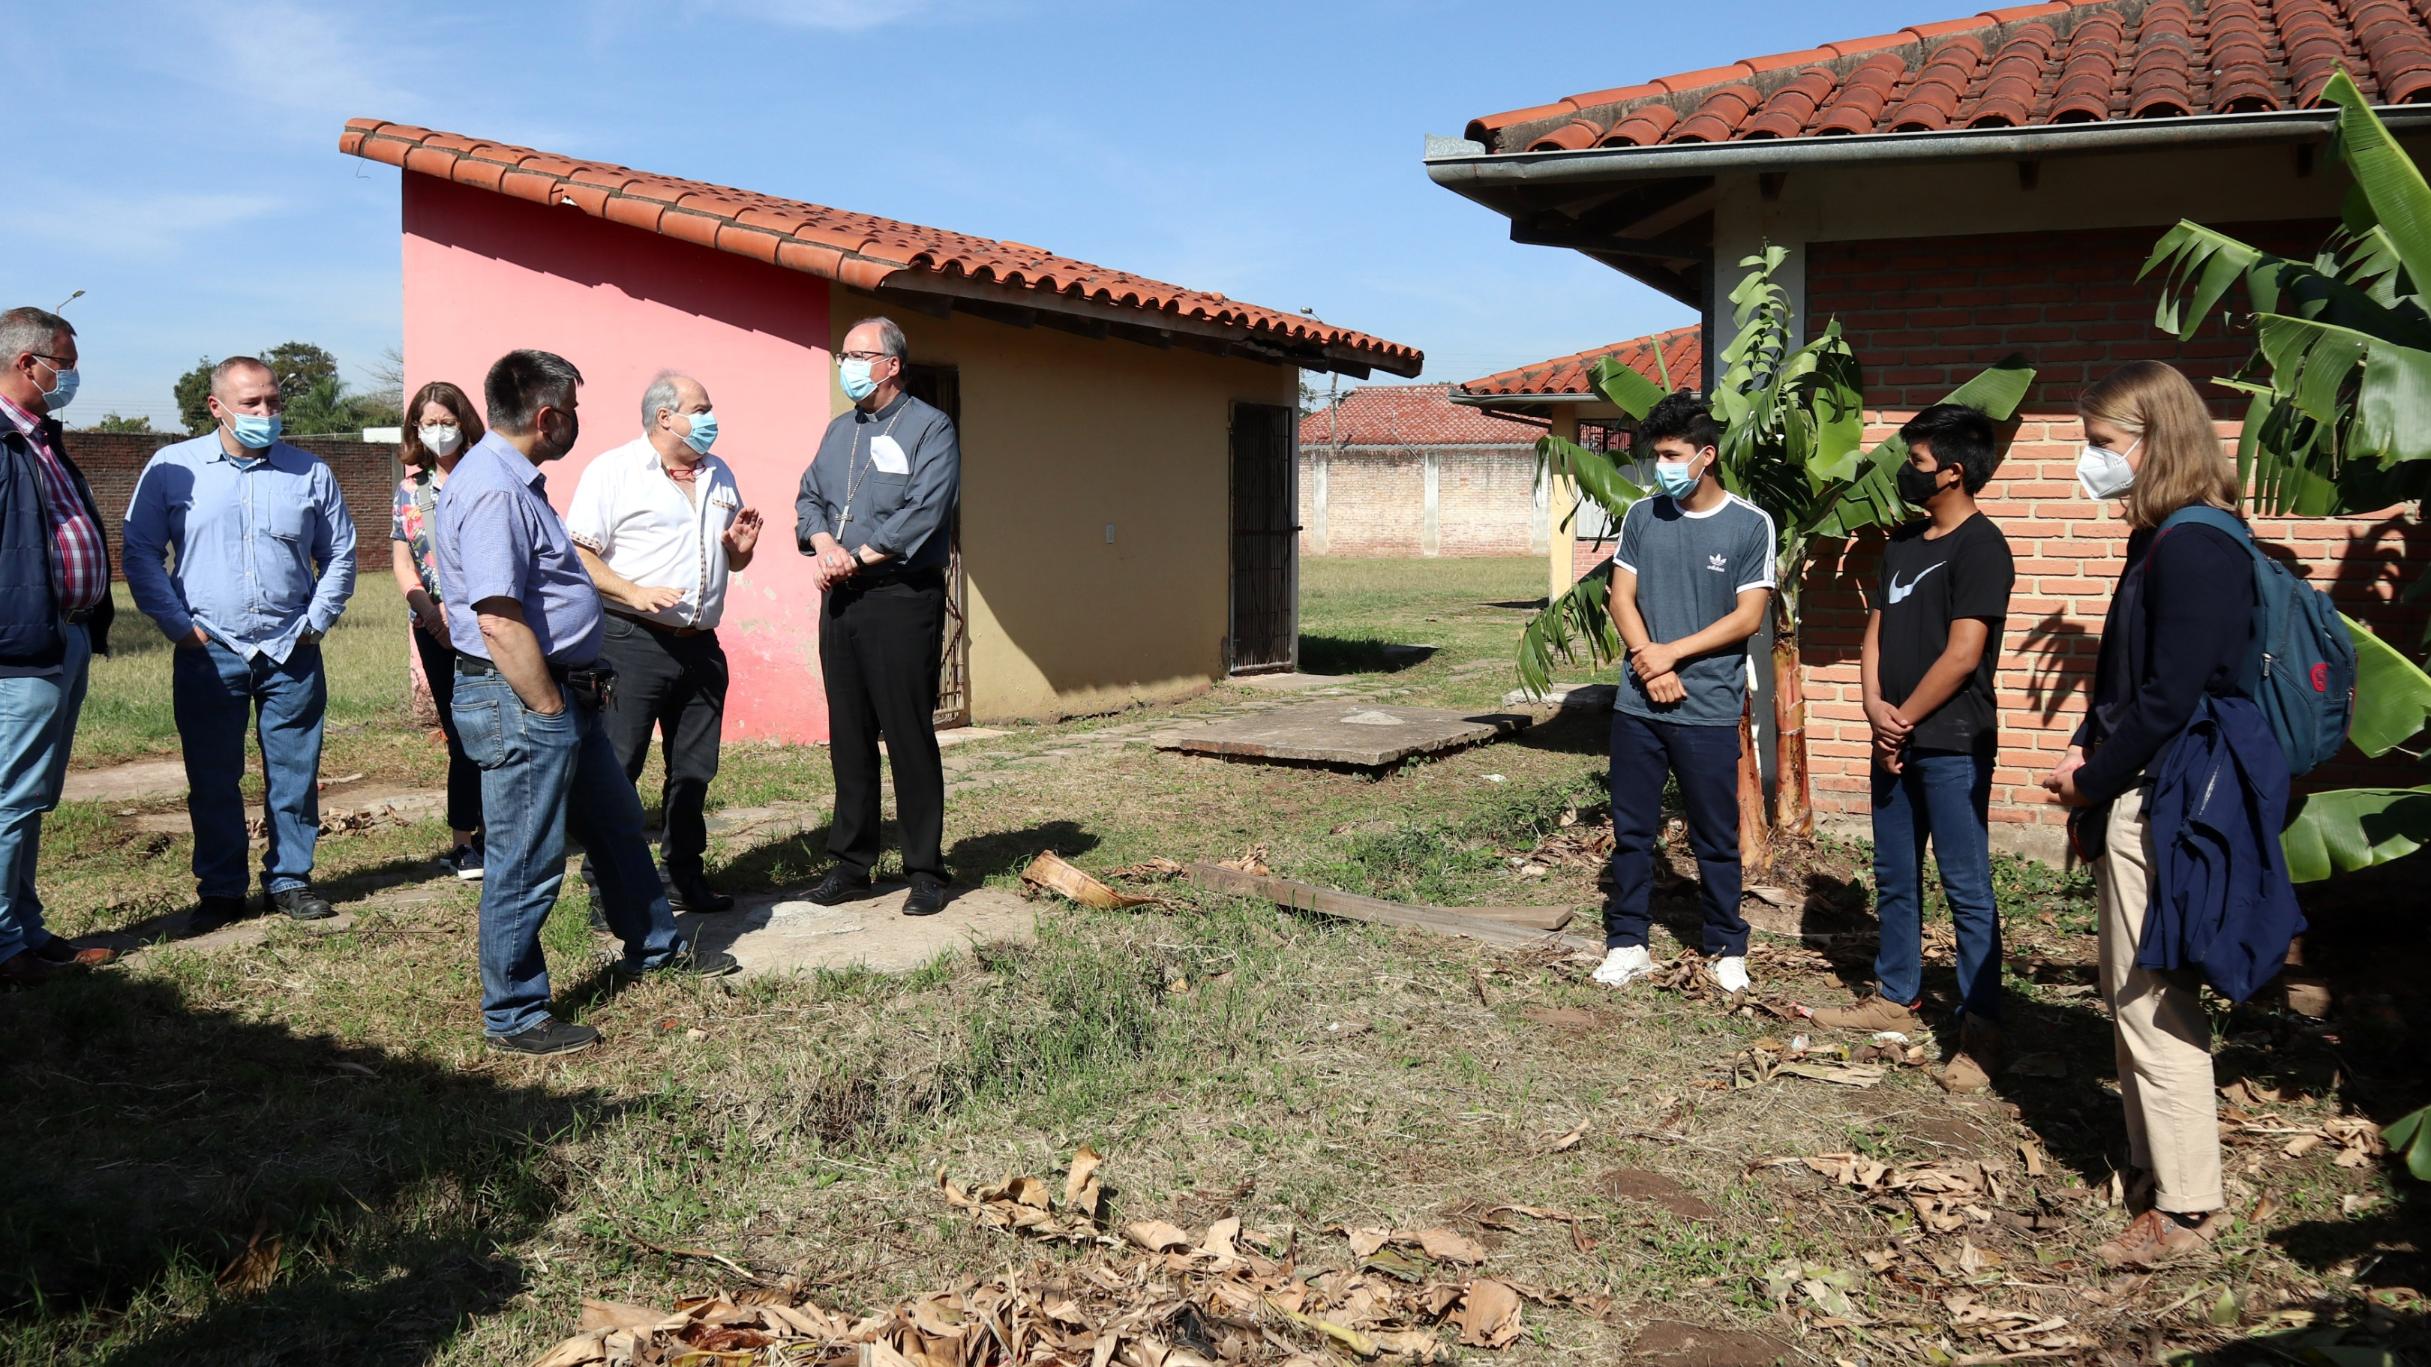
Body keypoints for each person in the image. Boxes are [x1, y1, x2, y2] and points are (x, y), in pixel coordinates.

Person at [434, 349, 736, 1057]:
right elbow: (499, 617)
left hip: (564, 694)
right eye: (571, 407)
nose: (576, 421)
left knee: (617, 825)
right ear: (546, 416)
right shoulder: (495, 490)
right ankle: (513, 1011)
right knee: (526, 854)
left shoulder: (514, 479)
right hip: (526, 697)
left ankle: (655, 945)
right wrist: (543, 707)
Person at [2043, 360, 2256, 1268]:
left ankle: (2188, 1207)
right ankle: (2149, 1168)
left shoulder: (2197, 546)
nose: (2090, 462)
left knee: (2150, 995)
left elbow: (2168, 699)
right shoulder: (2160, 539)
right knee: (2126, 988)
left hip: (2166, 794)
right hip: (2141, 787)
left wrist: (2092, 779)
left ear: (2152, 441)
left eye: (2100, 445)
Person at [1812, 404, 2014, 1095]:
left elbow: (1963, 655)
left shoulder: (1982, 549)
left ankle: (1980, 1026)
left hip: (1952, 742)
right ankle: (1893, 992)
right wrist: (1873, 710)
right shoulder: (1902, 542)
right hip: (1892, 737)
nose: (1906, 470)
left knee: (1965, 886)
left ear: (1953, 472)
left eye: (1918, 461)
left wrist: (1898, 722)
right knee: (1894, 874)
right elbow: (1875, 632)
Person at [124, 357, 358, 933]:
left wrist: (317, 620)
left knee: (295, 772)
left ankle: (290, 880)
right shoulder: (171, 469)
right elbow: (139, 551)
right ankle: (222, 888)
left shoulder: (310, 473)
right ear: (217, 406)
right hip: (211, 649)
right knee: (211, 774)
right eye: (251, 403)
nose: (265, 414)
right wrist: (179, 624)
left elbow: (341, 554)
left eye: (273, 402)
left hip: (291, 649)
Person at [1592, 391, 1774, 995]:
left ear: (1706, 456)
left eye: (1671, 454)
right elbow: (1621, 598)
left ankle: (1726, 945)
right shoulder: (1643, 517)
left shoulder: (1750, 524)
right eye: (1656, 456)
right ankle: (1627, 942)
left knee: (1715, 835)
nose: (1661, 466)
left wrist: (1672, 653)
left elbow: (1748, 616)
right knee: (1633, 829)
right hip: (1638, 704)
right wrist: (1651, 663)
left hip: (1709, 706)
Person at [566, 371, 762, 913]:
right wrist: (633, 590)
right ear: (664, 417)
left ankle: (683, 877)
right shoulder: (613, 471)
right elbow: (578, 553)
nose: (710, 417)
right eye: (700, 408)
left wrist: (740, 550)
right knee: (619, 766)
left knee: (694, 770)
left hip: (700, 645)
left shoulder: (719, 473)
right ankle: (605, 889)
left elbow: (731, 558)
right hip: (632, 638)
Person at [794, 318, 961, 918]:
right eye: (844, 354)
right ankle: (851, 863)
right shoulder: (840, 431)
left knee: (907, 733)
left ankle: (924, 869)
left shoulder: (930, 428)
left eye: (859, 355)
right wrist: (821, 543)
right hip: (840, 598)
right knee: (849, 733)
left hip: (898, 596)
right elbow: (809, 496)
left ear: (890, 364)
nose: (848, 364)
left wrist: (857, 558)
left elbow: (924, 511)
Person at [0, 307, 117, 983]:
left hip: (65, 636)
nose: (70, 379)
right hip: (21, 650)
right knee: (11, 797)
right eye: (64, 367)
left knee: (33, 795)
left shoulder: (40, 437)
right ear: (28, 363)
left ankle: (25, 928)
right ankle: (4, 945)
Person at [393, 380, 486, 879]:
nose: (439, 431)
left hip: (489, 623)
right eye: (428, 423)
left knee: (493, 728)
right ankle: (464, 840)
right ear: (415, 430)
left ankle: (503, 830)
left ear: (464, 421)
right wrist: (431, 613)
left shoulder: (488, 476)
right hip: (436, 629)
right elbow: (403, 564)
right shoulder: (410, 491)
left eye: (446, 421)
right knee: (459, 735)